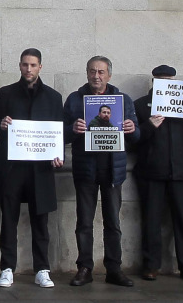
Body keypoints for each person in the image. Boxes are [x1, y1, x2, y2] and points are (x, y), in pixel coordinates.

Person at [0, 48, 64, 289]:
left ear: (40, 67)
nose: (28, 69)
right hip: (12, 167)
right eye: (24, 65)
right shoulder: (5, 93)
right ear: (19, 66)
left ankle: (42, 269)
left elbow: (58, 131)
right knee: (8, 219)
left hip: (40, 169)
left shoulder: (53, 97)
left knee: (40, 221)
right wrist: (0, 124)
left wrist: (57, 154)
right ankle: (7, 268)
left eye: (33, 65)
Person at [65, 55, 138, 288]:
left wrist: (131, 128)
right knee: (84, 222)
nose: (96, 76)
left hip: (113, 169)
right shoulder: (75, 100)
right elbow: (62, 134)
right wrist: (73, 129)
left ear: (109, 75)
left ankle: (114, 269)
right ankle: (84, 268)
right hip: (85, 168)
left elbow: (137, 137)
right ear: (87, 73)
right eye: (92, 71)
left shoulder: (123, 100)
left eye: (101, 72)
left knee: (113, 223)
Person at [131, 64, 183, 282]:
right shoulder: (141, 105)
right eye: (161, 80)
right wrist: (148, 126)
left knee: (182, 220)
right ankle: (150, 265)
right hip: (151, 171)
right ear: (153, 82)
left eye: (170, 80)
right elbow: (132, 140)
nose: (166, 83)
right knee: (151, 220)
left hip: (182, 171)